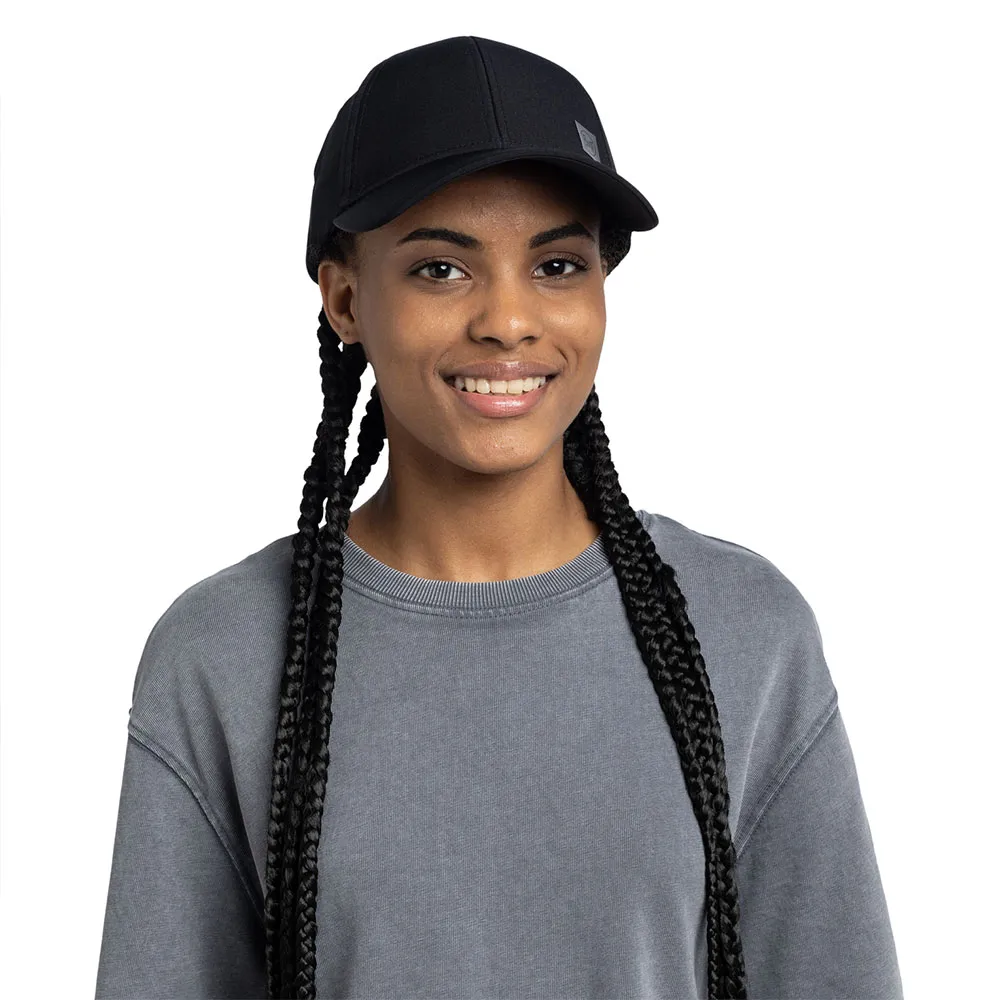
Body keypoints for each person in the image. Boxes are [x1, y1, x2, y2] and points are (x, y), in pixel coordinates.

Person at [94, 35, 904, 1000]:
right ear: (345, 299)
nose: (509, 321)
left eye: (557, 265)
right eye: (442, 269)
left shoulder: (747, 633)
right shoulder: (222, 655)